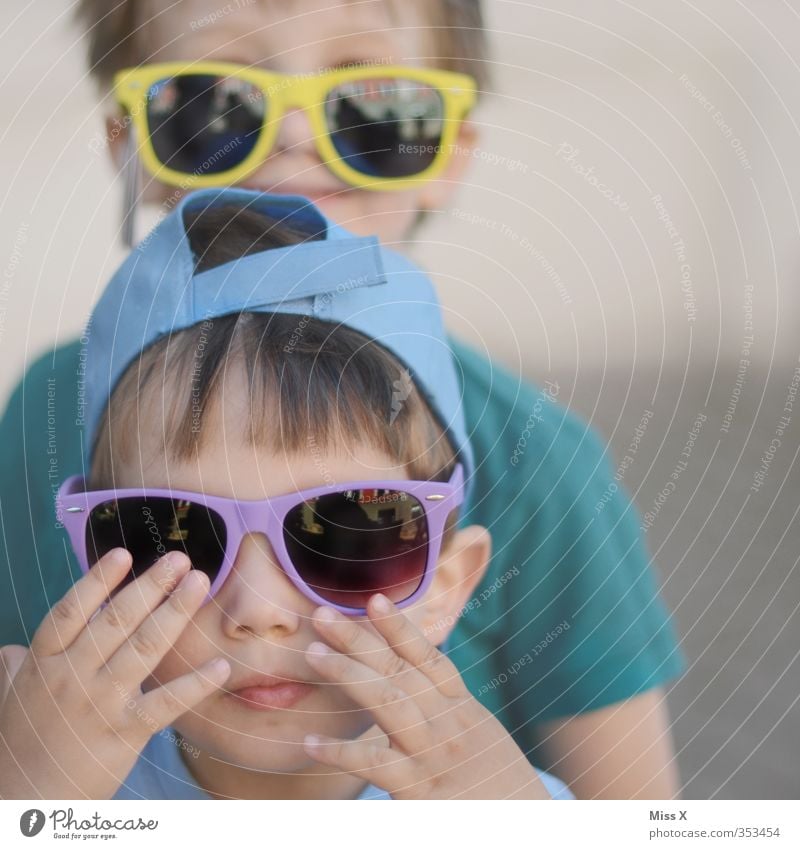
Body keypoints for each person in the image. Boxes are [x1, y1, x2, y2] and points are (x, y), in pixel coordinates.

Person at [0, 0, 684, 797]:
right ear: (131, 146)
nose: (294, 138)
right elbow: (37, 706)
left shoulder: (544, 459)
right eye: (216, 104)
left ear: (448, 151)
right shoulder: (41, 413)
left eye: (371, 104)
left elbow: (635, 803)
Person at [0, 188, 573, 800]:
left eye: (347, 532)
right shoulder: (45, 782)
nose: (258, 613)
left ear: (445, 586)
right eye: (173, 536)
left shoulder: (504, 808)